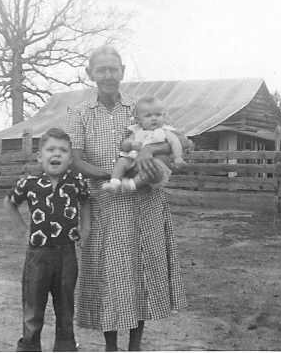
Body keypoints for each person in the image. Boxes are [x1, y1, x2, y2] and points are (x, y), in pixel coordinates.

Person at [66, 46, 187, 351]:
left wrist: (148, 151)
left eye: (113, 69)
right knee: (109, 275)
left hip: (143, 203)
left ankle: (135, 345)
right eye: (101, 70)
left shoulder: (139, 108)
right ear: (90, 74)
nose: (108, 75)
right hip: (105, 204)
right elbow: (75, 159)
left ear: (122, 71)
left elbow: (182, 141)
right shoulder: (80, 113)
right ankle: (110, 346)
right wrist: (112, 176)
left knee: (140, 270)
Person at [3, 127, 90, 352]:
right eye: (51, 149)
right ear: (40, 156)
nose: (57, 154)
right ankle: (30, 346)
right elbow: (10, 203)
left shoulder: (76, 181)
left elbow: (87, 203)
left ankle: (66, 346)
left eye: (63, 150)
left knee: (65, 307)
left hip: (66, 254)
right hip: (38, 255)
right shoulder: (29, 183)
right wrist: (23, 231)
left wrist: (86, 228)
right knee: (33, 307)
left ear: (70, 158)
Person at [102, 95, 185, 193]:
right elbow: (124, 145)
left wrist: (178, 157)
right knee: (122, 162)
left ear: (164, 116)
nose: (154, 118)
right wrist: (131, 144)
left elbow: (175, 142)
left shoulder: (165, 131)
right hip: (134, 161)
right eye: (148, 116)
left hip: (156, 165)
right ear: (138, 119)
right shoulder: (136, 131)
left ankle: (132, 184)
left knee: (150, 170)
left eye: (158, 115)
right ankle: (114, 183)